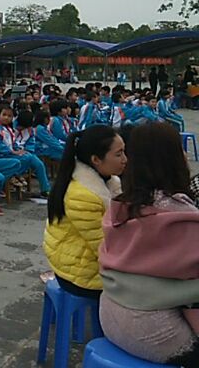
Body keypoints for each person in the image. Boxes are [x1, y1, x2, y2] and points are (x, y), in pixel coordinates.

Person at [99, 122, 199, 366]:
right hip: (154, 334)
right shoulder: (178, 214)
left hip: (110, 316)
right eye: (179, 149)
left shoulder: (120, 204)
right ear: (171, 158)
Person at [44, 125, 125, 299]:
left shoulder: (108, 180)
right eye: (118, 154)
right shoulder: (83, 195)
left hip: (83, 257)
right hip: (79, 272)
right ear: (96, 159)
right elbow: (103, 247)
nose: (125, 159)